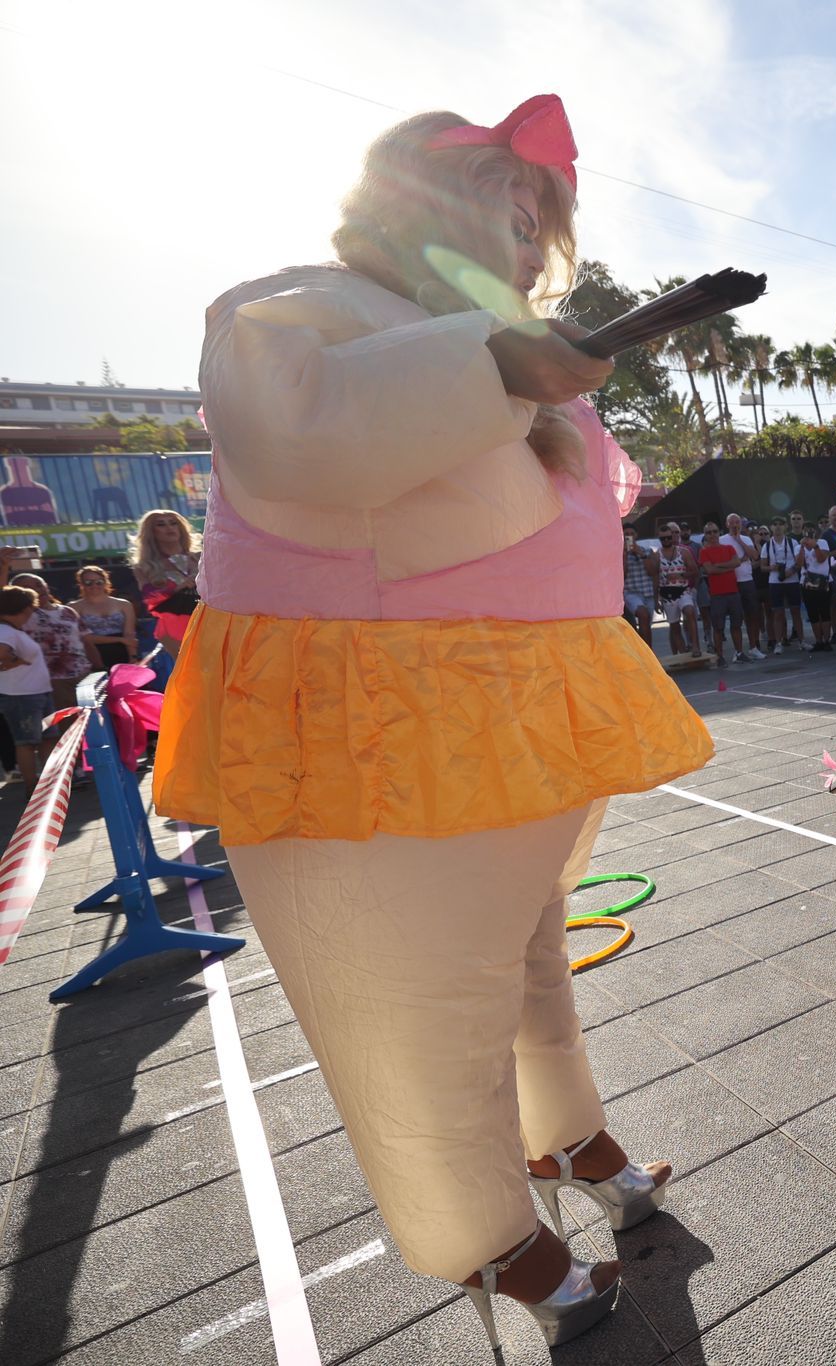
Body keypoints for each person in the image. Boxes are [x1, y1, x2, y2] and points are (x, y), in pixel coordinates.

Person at [153, 97, 714, 1351]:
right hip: (369, 736)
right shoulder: (297, 304)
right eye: (505, 219)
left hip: (510, 718)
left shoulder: (502, 353)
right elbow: (286, 424)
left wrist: (515, 365)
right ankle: (491, 1239)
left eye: (537, 228)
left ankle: (562, 1134)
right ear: (418, 209)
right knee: (409, 1008)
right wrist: (499, 366)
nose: (525, 252)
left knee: (523, 957)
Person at [8, 573, 96, 711]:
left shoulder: (68, 611)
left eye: (39, 584)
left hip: (83, 676)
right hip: (50, 681)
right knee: (66, 725)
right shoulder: (21, 616)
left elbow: (87, 641)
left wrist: (99, 667)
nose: (37, 590)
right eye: (27, 588)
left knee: (92, 721)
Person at [0, 584, 53, 787]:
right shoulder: (5, 631)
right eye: (32, 605)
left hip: (36, 692)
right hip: (21, 696)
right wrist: (14, 662)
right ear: (23, 608)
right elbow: (1, 653)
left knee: (48, 739)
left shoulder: (12, 630)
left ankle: (49, 786)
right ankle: (32, 788)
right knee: (27, 743)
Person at [132, 508, 201, 661]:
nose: (169, 527)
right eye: (161, 524)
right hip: (175, 627)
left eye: (173, 523)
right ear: (152, 532)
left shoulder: (201, 557)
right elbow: (150, 599)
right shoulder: (144, 566)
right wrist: (177, 587)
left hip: (210, 620)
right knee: (194, 675)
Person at [69, 564, 139, 668]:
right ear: (81, 585)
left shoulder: (124, 604)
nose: (94, 586)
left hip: (122, 652)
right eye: (88, 582)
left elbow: (129, 634)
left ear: (106, 582)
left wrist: (133, 659)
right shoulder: (73, 607)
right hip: (92, 654)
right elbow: (82, 638)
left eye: (99, 582)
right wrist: (119, 640)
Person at [697, 518, 746, 662]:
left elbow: (737, 562)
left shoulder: (729, 548)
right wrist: (728, 566)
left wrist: (718, 565)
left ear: (719, 532)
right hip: (717, 594)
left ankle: (739, 653)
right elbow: (709, 569)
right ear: (705, 535)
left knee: (736, 624)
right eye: (708, 532)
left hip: (733, 591)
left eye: (714, 531)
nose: (712, 535)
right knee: (718, 627)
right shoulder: (704, 552)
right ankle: (720, 656)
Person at [719, 512, 767, 658]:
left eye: (737, 522)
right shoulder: (722, 540)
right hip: (732, 583)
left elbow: (754, 556)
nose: (735, 525)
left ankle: (753, 647)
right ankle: (738, 651)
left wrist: (739, 540)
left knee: (752, 615)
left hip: (747, 581)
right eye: (732, 522)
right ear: (727, 524)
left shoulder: (746, 538)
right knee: (736, 618)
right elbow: (725, 562)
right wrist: (740, 559)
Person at [654, 521, 701, 657]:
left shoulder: (684, 552)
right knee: (674, 626)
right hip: (667, 594)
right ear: (659, 539)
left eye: (669, 537)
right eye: (663, 538)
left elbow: (696, 571)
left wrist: (680, 575)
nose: (667, 540)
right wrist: (656, 599)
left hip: (683, 590)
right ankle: (682, 653)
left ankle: (695, 646)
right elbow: (655, 578)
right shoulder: (657, 555)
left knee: (690, 611)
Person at [762, 516, 802, 653]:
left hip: (792, 580)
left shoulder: (793, 543)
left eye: (780, 524)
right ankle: (778, 643)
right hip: (775, 582)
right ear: (771, 527)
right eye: (775, 524)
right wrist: (772, 568)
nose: (778, 527)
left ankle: (802, 641)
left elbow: (799, 562)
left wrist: (790, 572)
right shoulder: (767, 545)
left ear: (785, 527)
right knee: (777, 613)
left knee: (796, 611)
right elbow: (762, 567)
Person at [621, 526, 658, 646]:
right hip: (631, 593)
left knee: (646, 624)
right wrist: (625, 556)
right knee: (643, 614)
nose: (630, 536)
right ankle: (648, 651)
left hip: (648, 593)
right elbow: (622, 575)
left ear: (636, 535)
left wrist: (641, 554)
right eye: (627, 534)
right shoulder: (620, 555)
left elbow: (653, 572)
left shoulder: (647, 551)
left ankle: (646, 652)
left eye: (632, 533)